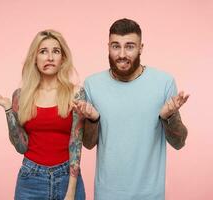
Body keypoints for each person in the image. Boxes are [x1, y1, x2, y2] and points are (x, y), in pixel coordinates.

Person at [74, 18, 189, 200]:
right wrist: (93, 119)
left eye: (129, 46)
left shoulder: (164, 82)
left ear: (141, 48)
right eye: (115, 46)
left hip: (150, 195)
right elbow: (88, 144)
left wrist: (169, 116)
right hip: (106, 194)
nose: (121, 54)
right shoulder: (92, 84)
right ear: (108, 46)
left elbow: (179, 142)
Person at [0, 30, 86, 200]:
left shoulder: (75, 93)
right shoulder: (21, 96)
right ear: (35, 58)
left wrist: (71, 190)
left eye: (55, 51)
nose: (49, 57)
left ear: (63, 58)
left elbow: (76, 143)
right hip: (31, 179)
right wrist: (8, 110)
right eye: (43, 51)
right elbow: (21, 147)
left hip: (67, 177)